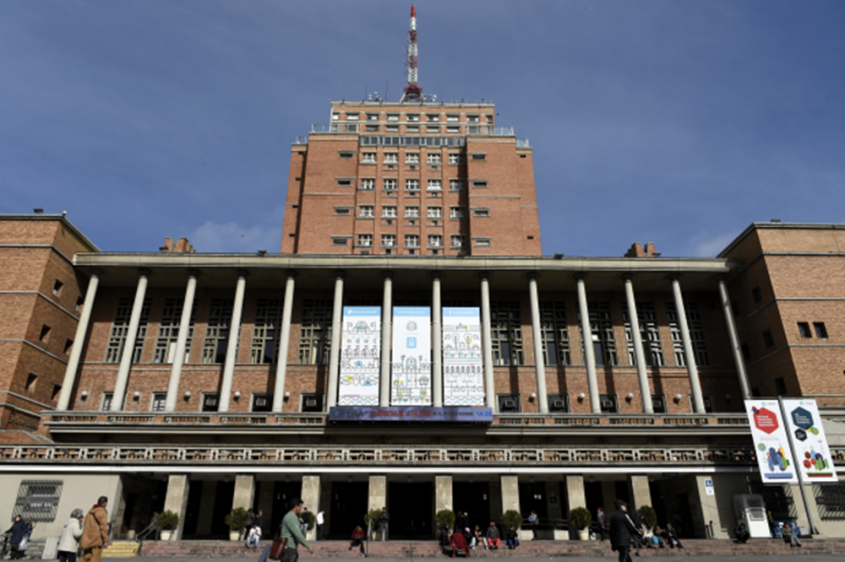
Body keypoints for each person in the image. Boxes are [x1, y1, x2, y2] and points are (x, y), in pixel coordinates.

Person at [280, 498, 313, 562]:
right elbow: (298, 534)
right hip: (289, 548)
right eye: (300, 507)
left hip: (288, 548)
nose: (301, 509)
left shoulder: (290, 516)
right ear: (296, 506)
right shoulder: (291, 517)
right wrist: (308, 546)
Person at [80, 496, 109, 562]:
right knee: (96, 559)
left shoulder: (90, 511)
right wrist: (105, 539)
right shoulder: (102, 511)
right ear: (105, 503)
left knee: (86, 557)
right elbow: (103, 527)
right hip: (96, 539)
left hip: (87, 538)